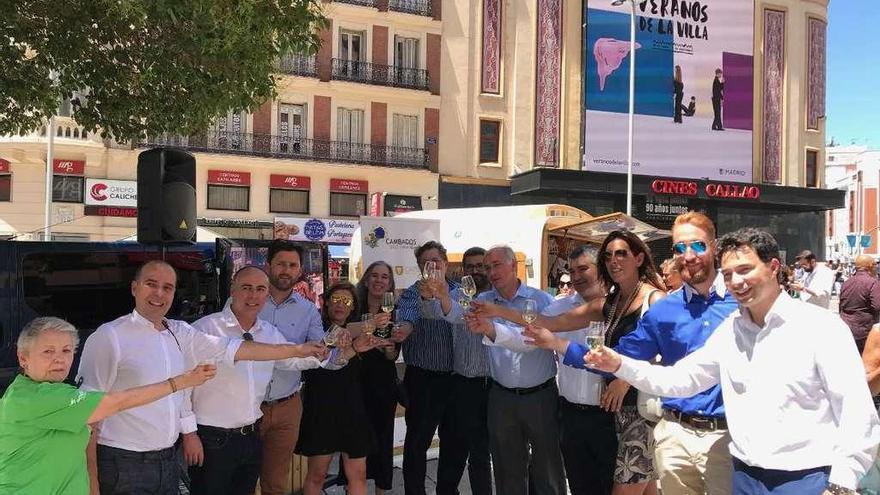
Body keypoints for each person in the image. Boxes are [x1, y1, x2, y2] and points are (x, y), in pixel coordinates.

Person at [587, 227, 880, 495]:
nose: (736, 281)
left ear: (773, 267)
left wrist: (840, 485)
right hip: (744, 477)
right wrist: (619, 365)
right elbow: (682, 380)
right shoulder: (731, 330)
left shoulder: (819, 327)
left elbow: (856, 413)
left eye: (744, 270)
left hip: (807, 479)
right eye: (728, 274)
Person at [78, 260, 327, 495]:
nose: (159, 294)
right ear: (134, 288)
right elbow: (86, 414)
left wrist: (297, 349)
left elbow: (240, 349)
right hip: (123, 459)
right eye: (151, 284)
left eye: (168, 287)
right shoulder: (109, 337)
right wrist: (91, 482)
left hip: (166, 458)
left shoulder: (180, 332)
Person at [532, 213, 738, 495]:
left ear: (714, 246)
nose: (688, 255)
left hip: (725, 437)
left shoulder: (742, 301)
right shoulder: (665, 311)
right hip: (674, 432)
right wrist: (557, 344)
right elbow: (615, 359)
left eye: (698, 246)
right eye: (680, 248)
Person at [504, 232, 666, 495]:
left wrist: (625, 379)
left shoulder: (655, 299)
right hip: (614, 416)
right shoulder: (608, 306)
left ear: (639, 258)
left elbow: (665, 352)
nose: (614, 261)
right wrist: (497, 311)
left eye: (621, 253)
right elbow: (551, 326)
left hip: (639, 413)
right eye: (609, 256)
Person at [0, 317, 215, 495]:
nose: (59, 359)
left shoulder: (61, 393)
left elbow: (85, 444)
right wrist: (179, 383)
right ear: (23, 358)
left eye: (66, 351)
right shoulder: (32, 398)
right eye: (48, 351)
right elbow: (115, 403)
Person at [185, 266, 329, 495]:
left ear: (266, 294)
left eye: (260, 289)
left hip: (251, 436)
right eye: (246, 288)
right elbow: (184, 386)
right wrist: (189, 434)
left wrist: (322, 354)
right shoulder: (206, 329)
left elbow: (290, 361)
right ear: (232, 289)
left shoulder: (268, 332)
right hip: (212, 439)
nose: (253, 296)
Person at [465, 245, 566, 495]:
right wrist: (442, 297)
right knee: (506, 470)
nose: (491, 272)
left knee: (548, 470)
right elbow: (456, 314)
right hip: (501, 398)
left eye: (496, 265)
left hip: (541, 396)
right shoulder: (483, 301)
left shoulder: (541, 300)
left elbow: (528, 342)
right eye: (488, 267)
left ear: (514, 266)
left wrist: (490, 328)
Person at [297, 282, 384, 495]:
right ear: (325, 303)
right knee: (317, 474)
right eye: (335, 299)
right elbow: (326, 344)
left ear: (353, 306)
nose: (340, 305)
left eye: (346, 301)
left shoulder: (360, 332)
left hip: (352, 407)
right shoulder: (314, 328)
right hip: (321, 407)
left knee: (358, 474)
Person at [258, 240, 328, 495]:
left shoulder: (308, 310)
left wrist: (335, 346)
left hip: (287, 406)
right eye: (281, 264)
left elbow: (320, 349)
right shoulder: (246, 299)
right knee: (238, 478)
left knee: (275, 483)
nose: (286, 270)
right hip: (245, 405)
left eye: (292, 265)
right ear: (268, 266)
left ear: (299, 271)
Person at [549, 245, 617, 495]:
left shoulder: (622, 305)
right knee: (579, 485)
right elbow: (529, 331)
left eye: (583, 269)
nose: (576, 276)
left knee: (611, 486)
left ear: (601, 268)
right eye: (572, 270)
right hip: (571, 416)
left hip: (610, 417)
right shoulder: (559, 309)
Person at [395, 241, 460, 495]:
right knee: (416, 443)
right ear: (420, 267)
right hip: (423, 380)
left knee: (453, 443)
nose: (432, 266)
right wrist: (404, 330)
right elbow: (408, 318)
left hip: (456, 379)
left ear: (445, 262)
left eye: (436, 261)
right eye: (426, 263)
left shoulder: (459, 291)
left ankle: (447, 491)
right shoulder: (413, 293)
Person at [431, 246, 494, 495]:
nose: (475, 271)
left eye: (481, 266)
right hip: (464, 385)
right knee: (453, 451)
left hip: (493, 387)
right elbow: (440, 312)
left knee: (482, 453)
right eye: (470, 266)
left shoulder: (498, 298)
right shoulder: (454, 295)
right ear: (462, 270)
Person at [352, 261, 401, 495]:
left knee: (383, 441)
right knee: (354, 441)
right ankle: (354, 487)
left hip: (383, 383)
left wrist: (389, 347)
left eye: (384, 277)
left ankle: (381, 491)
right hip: (354, 382)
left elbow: (392, 355)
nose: (379, 280)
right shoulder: (354, 305)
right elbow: (343, 334)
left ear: (390, 284)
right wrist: (366, 327)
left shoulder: (393, 311)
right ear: (366, 279)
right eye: (374, 276)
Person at [839, 254, 880, 354]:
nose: (877, 267)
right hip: (864, 331)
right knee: (865, 363)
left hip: (846, 328)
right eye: (875, 264)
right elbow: (877, 306)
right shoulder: (872, 282)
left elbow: (841, 306)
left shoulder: (846, 283)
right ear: (870, 266)